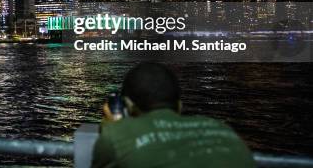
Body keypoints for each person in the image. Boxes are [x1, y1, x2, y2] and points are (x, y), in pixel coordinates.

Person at [92, 62, 255, 168]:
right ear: (179, 105)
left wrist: (116, 127)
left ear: (128, 106)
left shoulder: (115, 137)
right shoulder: (224, 130)